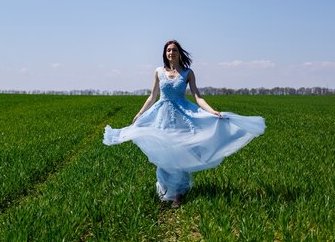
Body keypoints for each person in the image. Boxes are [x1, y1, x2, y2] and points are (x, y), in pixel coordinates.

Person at [103, 40, 265, 207]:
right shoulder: (159, 71)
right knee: (164, 154)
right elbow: (152, 96)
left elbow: (197, 96)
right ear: (165, 54)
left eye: (174, 50)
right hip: (162, 117)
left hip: (182, 116)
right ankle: (165, 191)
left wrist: (212, 111)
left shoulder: (188, 73)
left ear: (179, 53)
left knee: (180, 154)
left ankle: (177, 195)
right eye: (168, 50)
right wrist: (140, 113)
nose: (171, 53)